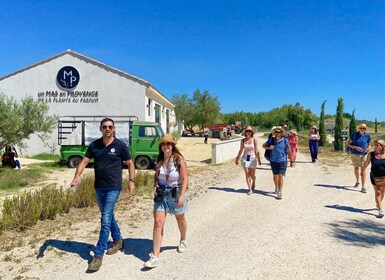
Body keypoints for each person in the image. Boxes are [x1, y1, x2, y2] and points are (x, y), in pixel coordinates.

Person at [70, 118, 136, 272]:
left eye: (110, 127)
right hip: (99, 187)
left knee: (105, 219)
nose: (107, 129)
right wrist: (77, 177)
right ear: (100, 129)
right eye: (105, 127)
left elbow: (131, 163)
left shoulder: (120, 146)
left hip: (114, 187)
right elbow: (84, 162)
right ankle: (118, 240)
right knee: (108, 216)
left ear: (114, 129)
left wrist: (131, 181)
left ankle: (98, 255)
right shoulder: (95, 145)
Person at [144, 134, 189, 269]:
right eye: (163, 144)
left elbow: (185, 178)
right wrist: (155, 185)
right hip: (161, 194)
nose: (166, 146)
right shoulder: (159, 159)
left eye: (168, 144)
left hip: (175, 192)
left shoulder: (178, 159)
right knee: (158, 223)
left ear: (172, 146)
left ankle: (183, 240)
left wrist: (182, 196)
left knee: (180, 218)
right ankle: (155, 256)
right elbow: (156, 175)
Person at [263, 126, 293, 199]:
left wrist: (291, 161)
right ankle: (276, 186)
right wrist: (269, 147)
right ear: (275, 133)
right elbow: (263, 146)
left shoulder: (285, 140)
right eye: (276, 132)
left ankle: (280, 191)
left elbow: (289, 151)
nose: (277, 133)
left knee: (280, 175)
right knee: (275, 175)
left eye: (279, 132)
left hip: (282, 160)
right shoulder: (272, 140)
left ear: (281, 133)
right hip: (273, 160)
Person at [235, 126, 262, 195]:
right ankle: (250, 189)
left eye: (249, 131)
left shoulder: (254, 140)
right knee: (247, 174)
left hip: (252, 157)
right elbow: (241, 150)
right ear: (245, 132)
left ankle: (254, 182)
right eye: (247, 131)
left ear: (251, 132)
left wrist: (259, 159)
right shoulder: (243, 140)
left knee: (252, 175)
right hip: (246, 157)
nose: (248, 132)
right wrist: (237, 158)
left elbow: (256, 150)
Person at [362, 139, 385, 218]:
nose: (375, 147)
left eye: (377, 145)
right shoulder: (371, 155)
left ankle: (378, 204)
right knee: (378, 192)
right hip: (374, 176)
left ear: (382, 146)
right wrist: (362, 171)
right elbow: (366, 163)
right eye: (374, 145)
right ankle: (380, 209)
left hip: (384, 177)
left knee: (382, 192)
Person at [347, 123, 371, 193]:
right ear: (358, 128)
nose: (362, 129)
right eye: (361, 128)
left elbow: (369, 145)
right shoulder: (354, 134)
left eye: (363, 128)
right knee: (356, 168)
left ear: (365, 129)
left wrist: (368, 149)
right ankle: (357, 181)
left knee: (363, 170)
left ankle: (363, 187)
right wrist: (355, 147)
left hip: (363, 155)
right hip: (354, 154)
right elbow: (349, 144)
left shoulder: (367, 136)